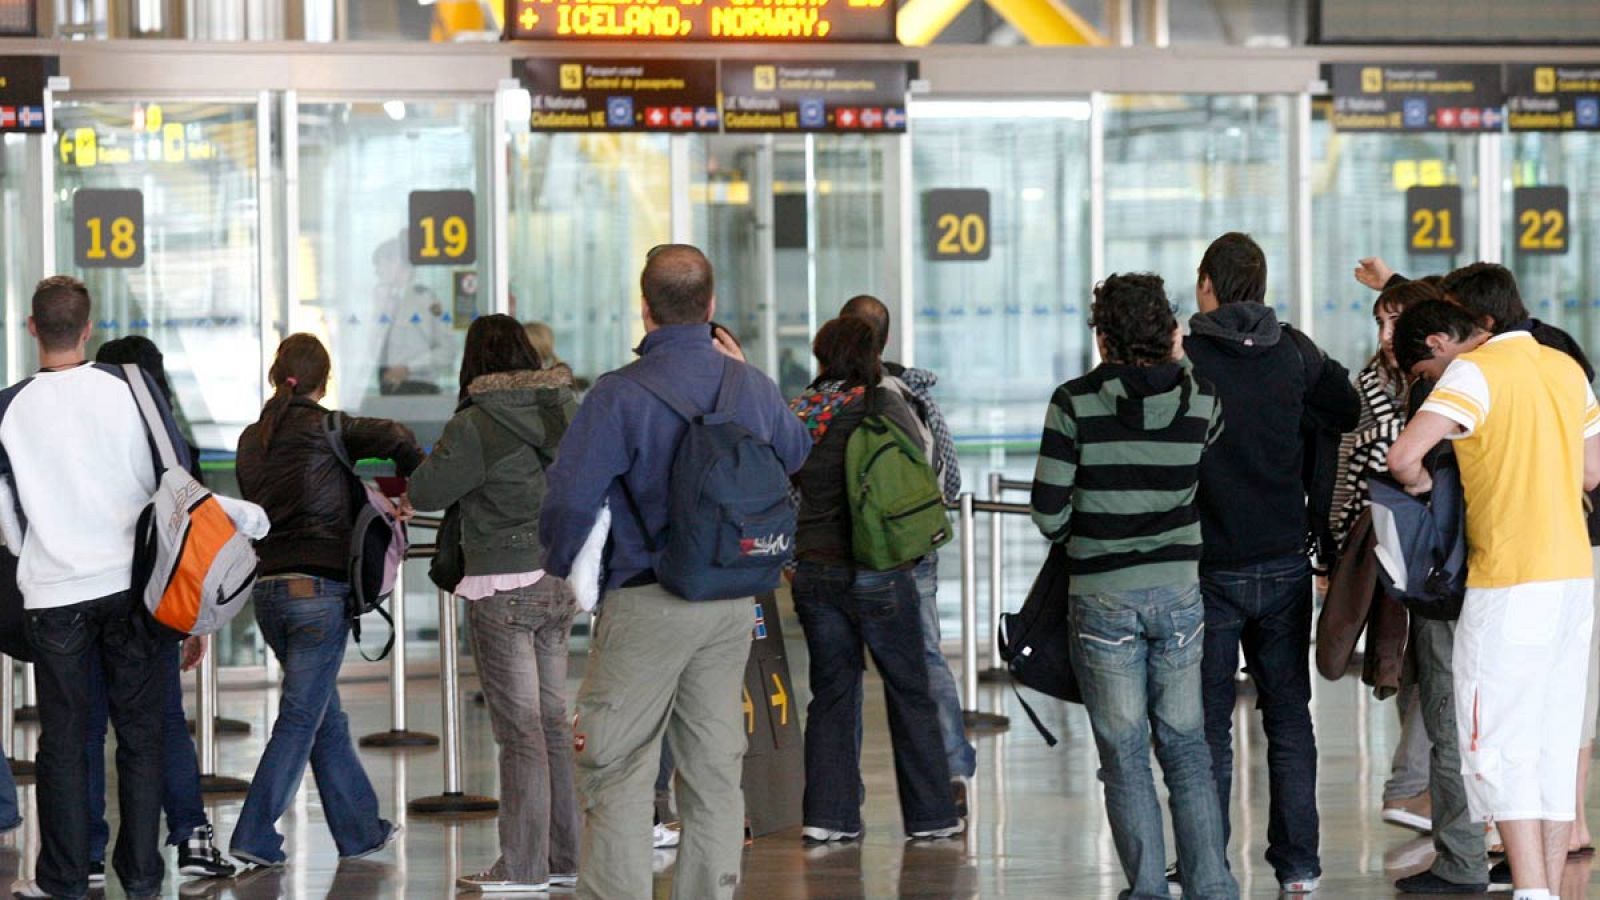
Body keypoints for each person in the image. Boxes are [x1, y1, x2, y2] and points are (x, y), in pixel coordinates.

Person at [539, 244, 810, 900]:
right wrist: (745, 377)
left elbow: (571, 498)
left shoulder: (619, 395)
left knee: (618, 764)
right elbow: (796, 452)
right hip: (731, 603)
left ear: (645, 307)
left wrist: (561, 569)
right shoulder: (750, 384)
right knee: (715, 771)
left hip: (646, 600)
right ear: (712, 307)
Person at [1030, 273, 1236, 900]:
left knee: (1124, 754)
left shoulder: (1073, 402)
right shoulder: (1204, 400)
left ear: (1102, 337)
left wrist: (1087, 527)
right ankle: (1212, 886)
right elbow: (1203, 456)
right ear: (1169, 331)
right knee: (1188, 748)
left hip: (1102, 594)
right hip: (1179, 591)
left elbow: (1048, 513)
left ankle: (1148, 888)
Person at [1388, 293, 1600, 900]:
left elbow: (1404, 454)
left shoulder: (1474, 372)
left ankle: (1531, 893)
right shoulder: (1564, 367)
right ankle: (1549, 892)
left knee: (1496, 746)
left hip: (1507, 581)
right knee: (1553, 746)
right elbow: (1591, 473)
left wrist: (1422, 480)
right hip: (1570, 576)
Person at [1182, 232, 1359, 894]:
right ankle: (1299, 866)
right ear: (1259, 284)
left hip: (1206, 564)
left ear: (1208, 285)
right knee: (1287, 716)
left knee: (1204, 726)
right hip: (1284, 560)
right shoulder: (1296, 351)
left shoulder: (1188, 358)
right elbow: (1346, 407)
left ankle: (1206, 862)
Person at [0, 276, 184, 899]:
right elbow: (171, 477)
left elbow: (5, 511)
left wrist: (37, 553)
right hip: (130, 589)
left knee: (65, 740)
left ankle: (64, 878)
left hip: (55, 594)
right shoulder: (129, 390)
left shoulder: (7, 407)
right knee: (140, 733)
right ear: (87, 330)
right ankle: (141, 876)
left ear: (32, 328)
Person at [231, 333, 420, 868]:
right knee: (300, 715)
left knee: (321, 714)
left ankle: (360, 831)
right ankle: (254, 832)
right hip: (317, 591)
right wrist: (406, 487)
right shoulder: (331, 425)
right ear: (324, 379)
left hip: (268, 590)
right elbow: (398, 436)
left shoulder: (252, 439)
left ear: (277, 376)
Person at [407, 314, 581, 894]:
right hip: (560, 576)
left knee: (522, 731)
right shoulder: (565, 407)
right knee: (553, 723)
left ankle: (524, 867)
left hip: (504, 584)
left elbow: (427, 491)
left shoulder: (476, 422)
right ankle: (564, 857)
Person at [788, 316, 962, 846]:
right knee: (909, 689)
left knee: (832, 692)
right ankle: (932, 815)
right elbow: (925, 473)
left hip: (815, 569)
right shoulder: (883, 404)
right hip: (881, 569)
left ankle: (828, 815)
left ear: (821, 357)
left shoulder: (799, 413)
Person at [80, 336, 233, 886]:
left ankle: (89, 854)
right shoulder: (168, 438)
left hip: (84, 594)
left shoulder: (83, 430)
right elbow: (188, 533)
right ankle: (191, 838)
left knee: (89, 726)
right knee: (165, 722)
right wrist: (191, 619)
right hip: (150, 603)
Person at [837, 294, 975, 806]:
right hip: (911, 555)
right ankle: (951, 775)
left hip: (843, 556)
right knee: (926, 659)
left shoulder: (825, 402)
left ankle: (840, 794)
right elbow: (952, 482)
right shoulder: (916, 399)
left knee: (839, 677)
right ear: (886, 340)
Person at [1328, 279, 1440, 837]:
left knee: (1427, 661)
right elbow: (1347, 475)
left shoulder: (1448, 380)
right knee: (1409, 660)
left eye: (1396, 322)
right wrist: (1332, 557)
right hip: (1388, 550)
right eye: (1380, 323)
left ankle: (1415, 787)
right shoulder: (1368, 385)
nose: (1386, 335)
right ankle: (1411, 787)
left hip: (1438, 549)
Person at [374, 231, 453, 395]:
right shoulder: (387, 302)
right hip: (388, 391)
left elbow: (447, 350)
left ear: (398, 263)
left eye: (380, 265)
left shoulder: (425, 300)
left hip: (418, 389)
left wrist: (408, 368)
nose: (378, 272)